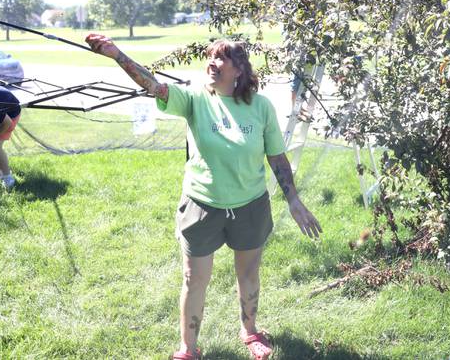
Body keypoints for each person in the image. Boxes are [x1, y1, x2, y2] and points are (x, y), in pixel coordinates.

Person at [85, 33, 322, 360]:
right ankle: (188, 348)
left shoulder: (261, 107)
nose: (212, 63)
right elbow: (153, 86)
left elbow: (277, 158)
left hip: (250, 205)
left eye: (221, 58)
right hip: (201, 205)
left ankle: (250, 331)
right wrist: (116, 54)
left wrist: (293, 199)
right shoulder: (195, 99)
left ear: (239, 69)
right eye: (210, 56)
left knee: (249, 274)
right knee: (193, 279)